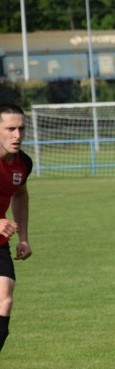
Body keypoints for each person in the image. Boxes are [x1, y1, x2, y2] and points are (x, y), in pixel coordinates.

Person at [0, 103, 32, 355]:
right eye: (10, 129)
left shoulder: (22, 164)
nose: (17, 135)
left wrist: (23, 237)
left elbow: (20, 194)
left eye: (21, 128)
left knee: (5, 299)